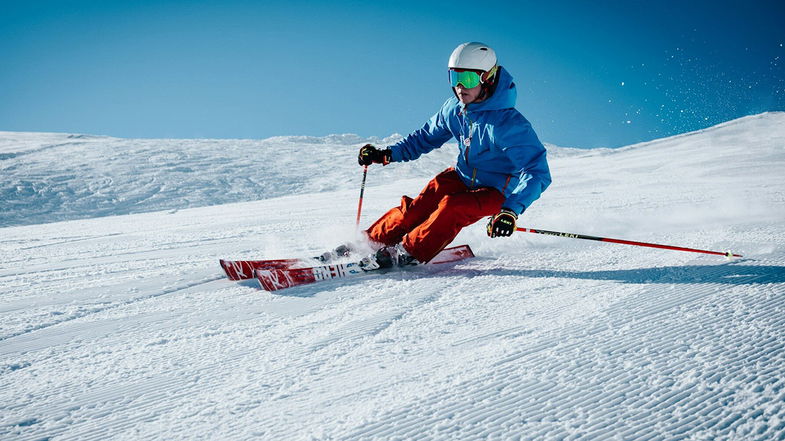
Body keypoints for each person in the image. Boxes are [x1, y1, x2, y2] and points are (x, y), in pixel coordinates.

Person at [356, 42, 552, 270]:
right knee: (419, 207)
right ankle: (369, 242)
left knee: (453, 207)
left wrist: (511, 210)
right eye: (454, 78)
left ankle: (407, 252)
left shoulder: (508, 124)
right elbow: (424, 138)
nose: (459, 87)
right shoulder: (454, 109)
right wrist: (386, 154)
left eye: (467, 79)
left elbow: (536, 172)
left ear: (486, 78)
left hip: (497, 191)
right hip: (462, 176)